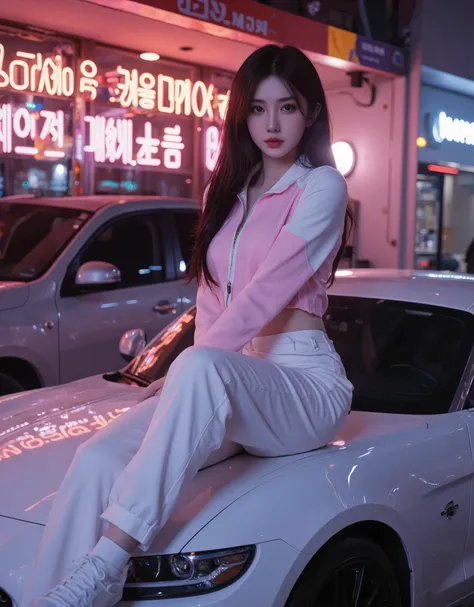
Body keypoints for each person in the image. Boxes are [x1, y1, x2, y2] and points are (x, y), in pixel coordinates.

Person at [24, 44, 354, 607]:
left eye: (287, 107)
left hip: (303, 384)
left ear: (312, 113)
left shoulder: (321, 187)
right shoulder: (222, 193)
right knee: (97, 458)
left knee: (200, 366)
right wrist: (186, 382)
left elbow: (266, 291)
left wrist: (190, 371)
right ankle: (49, 599)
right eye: (257, 108)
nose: (271, 124)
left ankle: (106, 565)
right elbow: (211, 299)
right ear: (240, 114)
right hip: (232, 376)